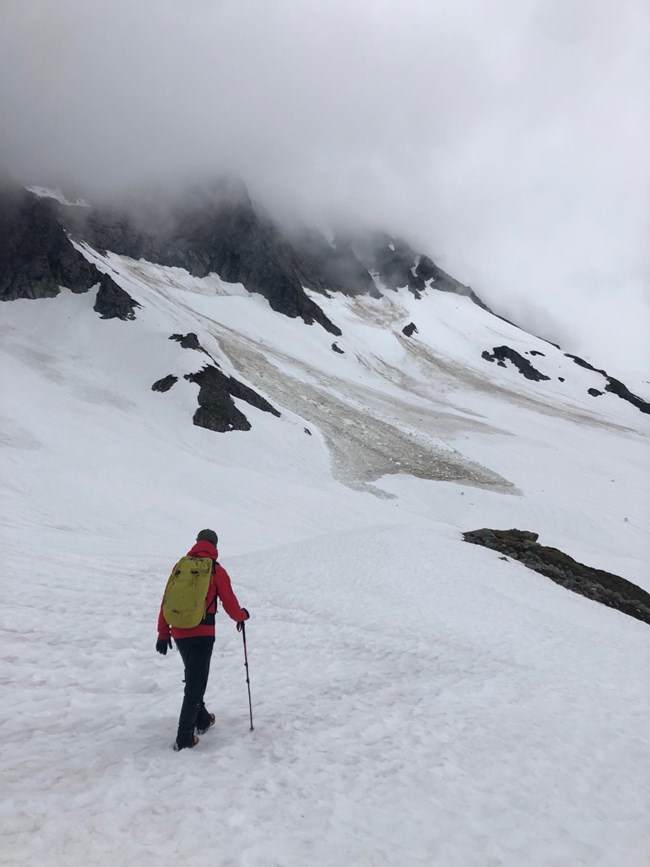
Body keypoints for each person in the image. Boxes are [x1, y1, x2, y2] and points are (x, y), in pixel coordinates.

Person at [156, 528, 250, 750]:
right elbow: (230, 604)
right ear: (215, 546)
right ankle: (184, 738)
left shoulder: (180, 567)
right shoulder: (216, 570)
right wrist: (242, 616)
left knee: (194, 678)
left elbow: (166, 600)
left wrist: (163, 632)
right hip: (203, 633)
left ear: (197, 542)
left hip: (179, 632)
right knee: (196, 686)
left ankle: (203, 719)